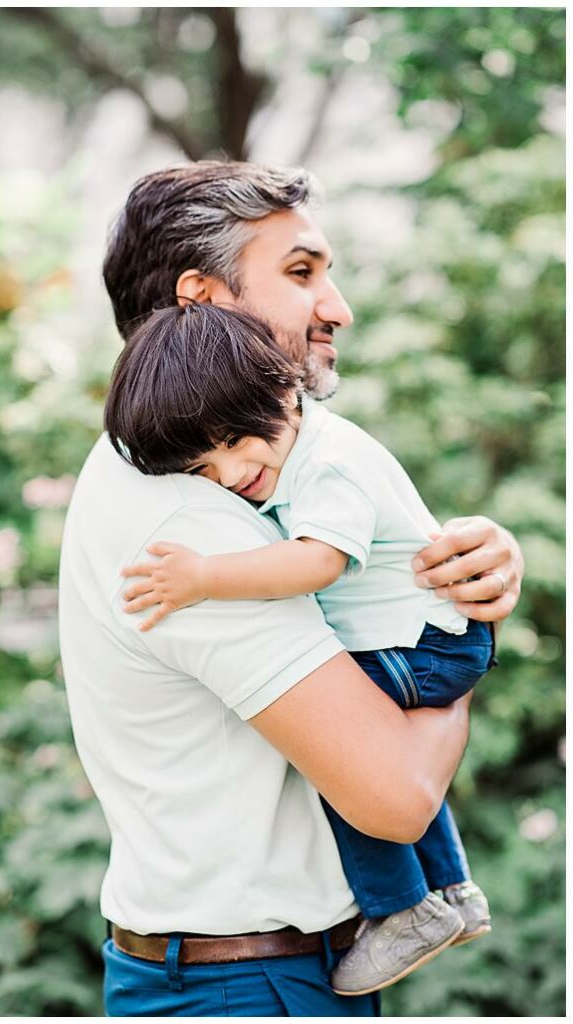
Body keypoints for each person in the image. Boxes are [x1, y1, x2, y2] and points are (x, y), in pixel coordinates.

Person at [58, 161, 523, 1017]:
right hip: (241, 983)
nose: (337, 307)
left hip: (257, 972)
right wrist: (454, 642)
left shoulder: (253, 458)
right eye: (302, 273)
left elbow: (364, 564)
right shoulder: (185, 509)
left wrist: (474, 564)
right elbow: (395, 795)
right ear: (201, 300)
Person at [105, 301, 495, 996]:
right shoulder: (296, 453)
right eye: (202, 466)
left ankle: (405, 910)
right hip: (431, 635)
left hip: (424, 645)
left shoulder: (329, 464)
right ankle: (452, 891)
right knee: (350, 733)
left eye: (232, 440)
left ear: (283, 389)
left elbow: (319, 563)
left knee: (343, 754)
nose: (227, 474)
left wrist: (204, 578)